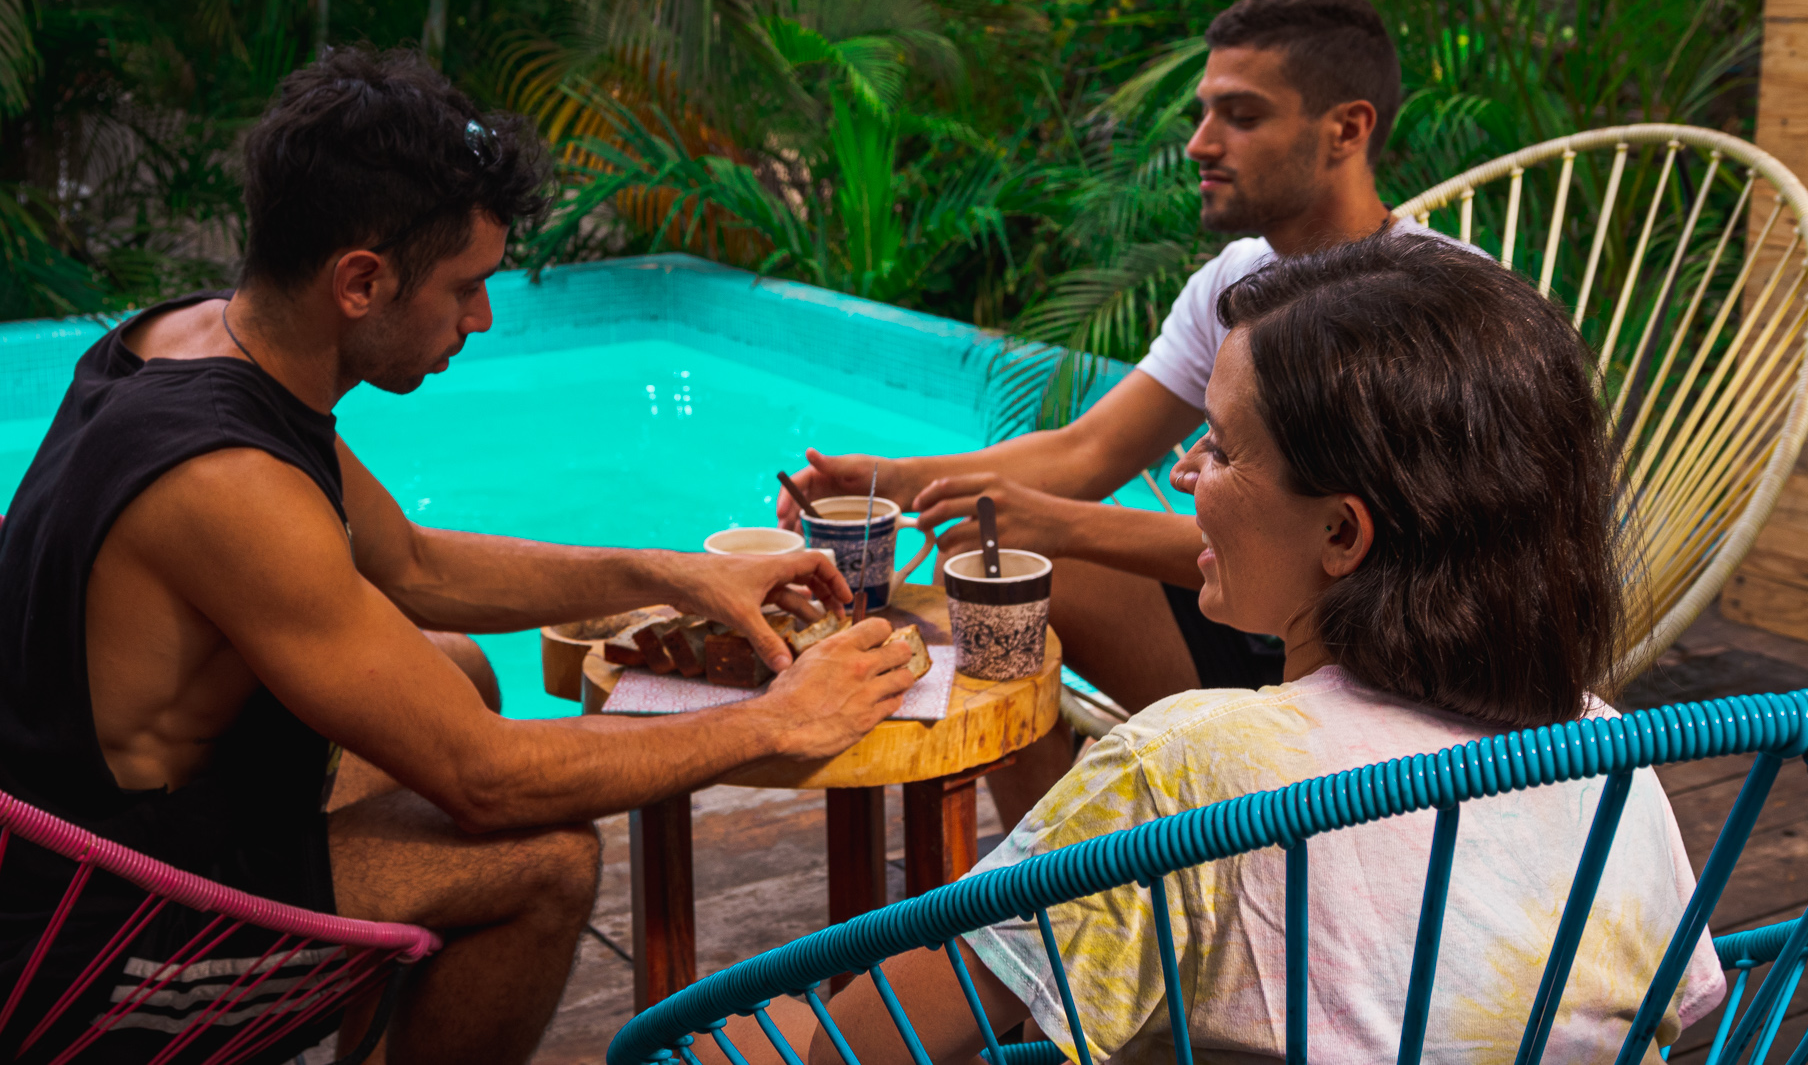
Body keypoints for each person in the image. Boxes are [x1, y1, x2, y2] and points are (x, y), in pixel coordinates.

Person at [0, 48, 920, 1065]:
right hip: (87, 956)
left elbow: (411, 565)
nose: (478, 320)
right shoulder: (225, 481)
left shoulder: (198, 342)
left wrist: (674, 573)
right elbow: (484, 780)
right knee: (542, 861)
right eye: (465, 288)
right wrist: (778, 721)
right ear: (361, 280)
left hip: (119, 842)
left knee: (456, 664)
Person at [715, 233, 1725, 1063]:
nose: (1189, 475)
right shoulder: (1603, 756)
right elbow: (1680, 1022)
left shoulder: (1192, 769)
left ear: (1340, 534)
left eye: (1223, 451)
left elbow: (859, 1045)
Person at [781, 0, 1473, 827]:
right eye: (1204, 112)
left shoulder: (1434, 307)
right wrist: (888, 479)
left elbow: (1360, 560)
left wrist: (1065, 524)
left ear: (1347, 128)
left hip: (1382, 666)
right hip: (1249, 621)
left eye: (1241, 117)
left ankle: (1132, 866)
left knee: (1047, 551)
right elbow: (1088, 451)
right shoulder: (1235, 279)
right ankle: (1048, 892)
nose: (1199, 143)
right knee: (1010, 583)